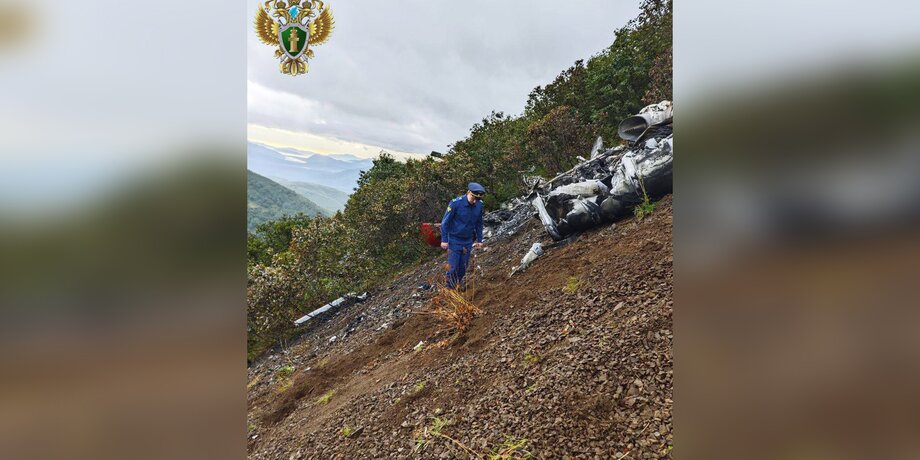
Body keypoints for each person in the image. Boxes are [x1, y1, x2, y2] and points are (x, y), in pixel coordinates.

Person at [440, 182, 486, 289]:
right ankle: (449, 289)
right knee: (453, 268)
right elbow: (445, 223)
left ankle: (457, 284)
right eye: (473, 198)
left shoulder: (479, 205)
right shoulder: (456, 203)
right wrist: (444, 240)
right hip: (454, 239)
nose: (474, 201)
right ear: (468, 192)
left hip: (467, 241)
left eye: (477, 199)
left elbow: (479, 223)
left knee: (463, 268)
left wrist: (479, 240)